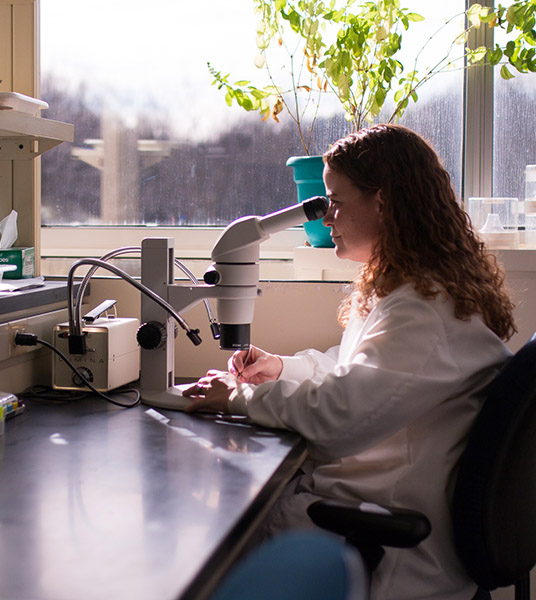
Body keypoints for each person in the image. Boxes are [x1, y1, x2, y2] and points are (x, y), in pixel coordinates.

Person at [183, 123, 516, 600]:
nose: (326, 218)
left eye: (336, 202)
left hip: (383, 544)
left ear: (382, 202)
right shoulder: (422, 291)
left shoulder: (421, 311)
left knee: (208, 536)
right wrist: (282, 368)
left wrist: (239, 397)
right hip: (376, 508)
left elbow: (339, 418)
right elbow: (358, 369)